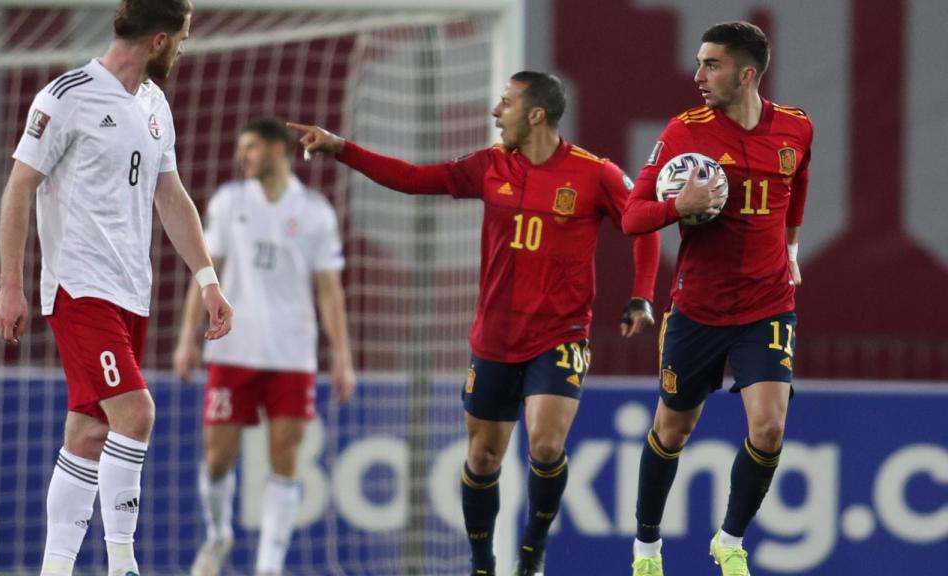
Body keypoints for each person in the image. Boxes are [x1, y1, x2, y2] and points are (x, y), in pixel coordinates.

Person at [290, 70, 661, 576]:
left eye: (505, 103)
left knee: (547, 445)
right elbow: (415, 179)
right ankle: (483, 562)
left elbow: (644, 224)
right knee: (484, 457)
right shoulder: (489, 166)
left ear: (535, 114)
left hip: (560, 335)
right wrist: (343, 148)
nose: (495, 112)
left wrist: (641, 296)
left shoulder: (594, 173)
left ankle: (532, 547)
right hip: (494, 338)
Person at [0, 2, 234, 575]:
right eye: (182, 37)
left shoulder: (154, 105)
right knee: (136, 414)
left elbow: (170, 198)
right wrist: (11, 285)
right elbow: (19, 187)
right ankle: (123, 562)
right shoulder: (65, 95)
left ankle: (56, 568)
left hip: (132, 292)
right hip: (80, 289)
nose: (183, 47)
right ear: (157, 39)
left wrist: (209, 281)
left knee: (89, 429)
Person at [621, 21, 813, 576]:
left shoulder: (797, 128)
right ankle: (647, 549)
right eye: (700, 62)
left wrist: (792, 248)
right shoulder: (684, 132)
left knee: (769, 426)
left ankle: (729, 540)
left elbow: (798, 185)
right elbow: (634, 216)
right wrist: (679, 206)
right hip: (699, 307)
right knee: (673, 429)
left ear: (746, 73)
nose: (698, 74)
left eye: (712, 64)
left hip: (767, 302)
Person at [172, 119, 356, 576]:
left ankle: (269, 566)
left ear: (277, 150)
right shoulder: (229, 201)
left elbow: (330, 291)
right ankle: (218, 535)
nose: (243, 156)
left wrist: (342, 358)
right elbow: (206, 274)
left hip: (292, 354)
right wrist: (185, 340)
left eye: (250, 147)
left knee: (285, 455)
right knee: (217, 457)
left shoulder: (315, 211)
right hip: (232, 350)